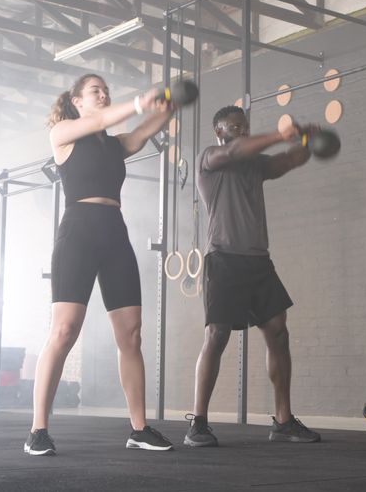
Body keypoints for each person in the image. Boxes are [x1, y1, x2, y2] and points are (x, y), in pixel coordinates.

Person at [25, 74, 176, 456]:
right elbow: (101, 121)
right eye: (96, 90)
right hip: (78, 233)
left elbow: (141, 134)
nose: (105, 93)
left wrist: (169, 105)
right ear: (77, 101)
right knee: (64, 331)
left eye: (107, 88)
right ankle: (37, 430)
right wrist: (142, 101)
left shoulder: (113, 145)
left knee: (132, 334)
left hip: (114, 233)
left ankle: (139, 429)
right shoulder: (64, 133)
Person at [183, 105, 322, 447]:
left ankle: (284, 421)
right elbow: (234, 150)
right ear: (220, 132)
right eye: (234, 127)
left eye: (244, 126)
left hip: (259, 262)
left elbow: (286, 161)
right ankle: (198, 424)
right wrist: (280, 134)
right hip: (224, 260)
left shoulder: (254, 164)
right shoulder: (211, 158)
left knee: (278, 331)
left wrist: (307, 141)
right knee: (217, 335)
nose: (241, 131)